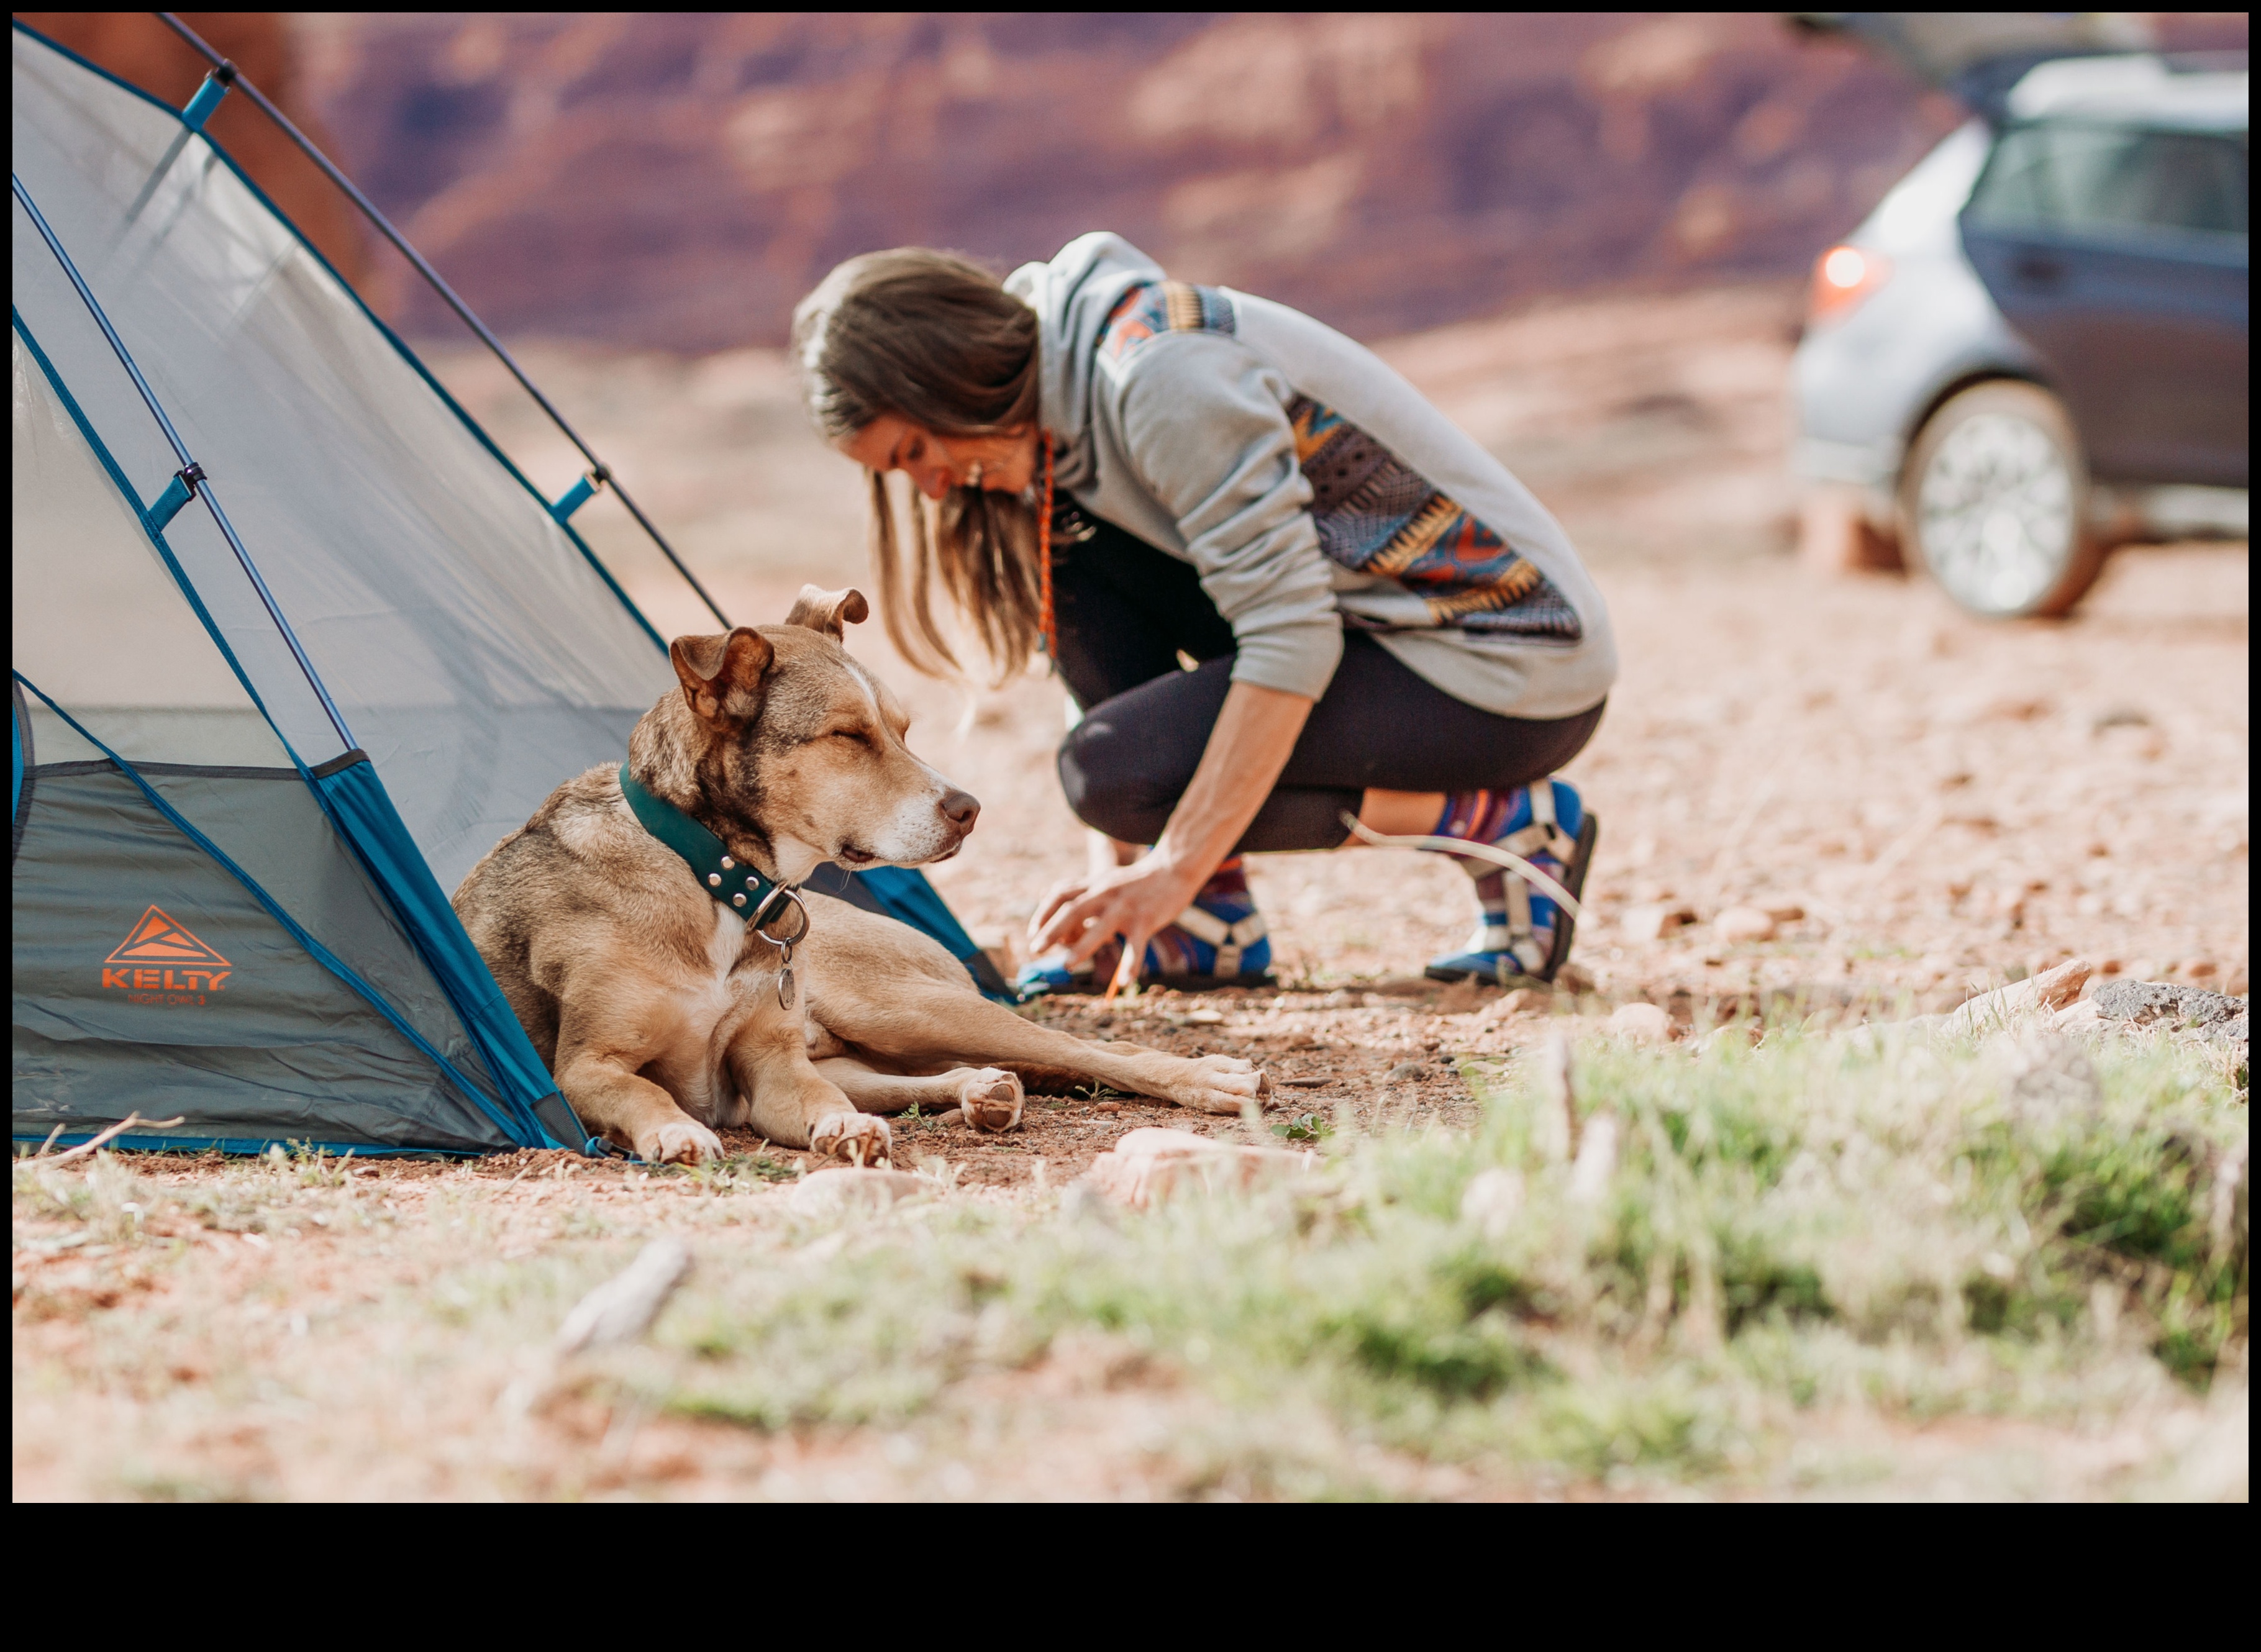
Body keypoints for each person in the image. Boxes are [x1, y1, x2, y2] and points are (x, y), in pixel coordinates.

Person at [791, 233, 1615, 993]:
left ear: (949, 373)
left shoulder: (1158, 379)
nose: (933, 486)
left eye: (914, 452)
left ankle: (1511, 826)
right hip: (1378, 634)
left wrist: (1173, 866)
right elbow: (1108, 682)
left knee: (1112, 774)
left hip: (1511, 662)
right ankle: (1205, 927)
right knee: (1097, 695)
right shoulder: (1056, 413)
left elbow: (1289, 639)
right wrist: (1120, 885)